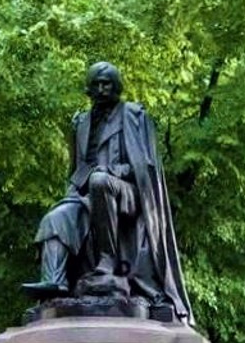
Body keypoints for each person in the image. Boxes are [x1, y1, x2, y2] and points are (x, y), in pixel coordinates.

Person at [22, 62, 192, 323]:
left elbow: (144, 167)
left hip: (129, 193)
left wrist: (111, 170)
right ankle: (53, 282)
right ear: (88, 90)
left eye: (107, 84)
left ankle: (107, 261)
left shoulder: (134, 115)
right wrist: (70, 196)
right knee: (56, 216)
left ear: (117, 86)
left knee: (100, 180)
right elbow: (76, 169)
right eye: (96, 85)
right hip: (89, 192)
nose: (101, 89)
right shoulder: (80, 123)